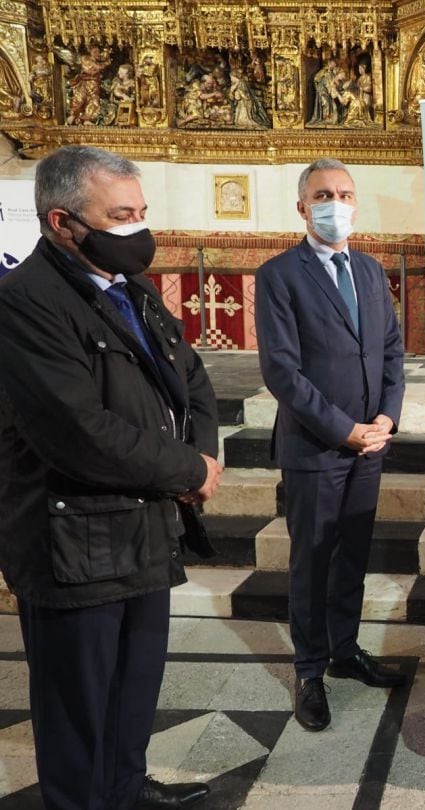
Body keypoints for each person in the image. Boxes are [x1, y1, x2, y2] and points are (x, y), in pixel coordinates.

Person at [0, 145, 222, 808]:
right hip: (73, 545)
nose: (138, 229)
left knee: (134, 688)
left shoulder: (134, 289)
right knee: (77, 712)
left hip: (143, 529)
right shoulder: (23, 304)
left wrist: (204, 457)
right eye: (121, 215)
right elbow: (78, 431)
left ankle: (125, 788)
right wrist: (187, 470)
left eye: (142, 213)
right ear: (63, 222)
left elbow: (193, 378)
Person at [255, 157, 407, 734]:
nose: (335, 203)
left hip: (370, 445)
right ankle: (309, 668)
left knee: (351, 557)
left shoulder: (369, 270)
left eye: (345, 193)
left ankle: (344, 650)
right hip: (316, 447)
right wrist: (345, 429)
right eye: (324, 194)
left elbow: (391, 350)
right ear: (302, 206)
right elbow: (283, 372)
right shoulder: (278, 275)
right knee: (312, 561)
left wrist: (386, 418)